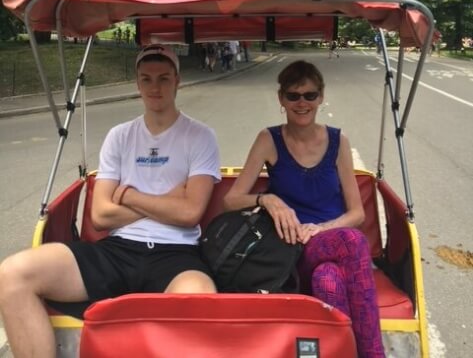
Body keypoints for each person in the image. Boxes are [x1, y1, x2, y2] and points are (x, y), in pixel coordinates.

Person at [0, 44, 221, 358]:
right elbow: (101, 216)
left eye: (163, 78)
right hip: (118, 250)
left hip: (177, 255)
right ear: (137, 83)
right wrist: (167, 200)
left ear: (177, 81)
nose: (154, 87)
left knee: (199, 300)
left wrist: (129, 196)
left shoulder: (200, 136)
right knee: (13, 273)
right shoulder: (120, 136)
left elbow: (189, 214)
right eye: (146, 79)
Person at [224, 60, 385, 358]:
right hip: (288, 249)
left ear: (321, 97)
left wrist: (321, 229)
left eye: (310, 95)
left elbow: (357, 214)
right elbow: (232, 199)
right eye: (293, 95)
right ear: (281, 99)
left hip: (330, 240)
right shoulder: (269, 139)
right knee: (353, 241)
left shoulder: (338, 141)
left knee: (329, 282)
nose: (302, 103)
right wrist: (266, 200)